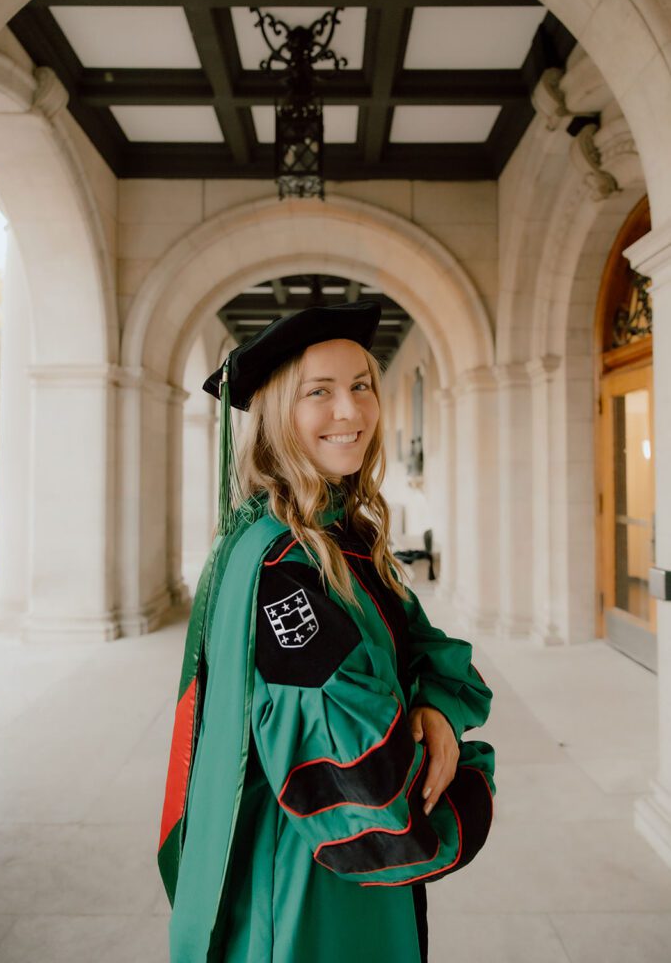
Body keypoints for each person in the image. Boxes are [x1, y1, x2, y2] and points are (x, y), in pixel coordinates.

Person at [158, 300, 495, 963]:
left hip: (324, 867)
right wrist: (469, 783)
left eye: (361, 385)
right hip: (308, 879)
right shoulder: (287, 567)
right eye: (319, 392)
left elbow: (426, 647)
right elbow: (364, 785)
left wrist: (435, 707)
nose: (351, 410)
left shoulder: (337, 536)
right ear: (276, 414)